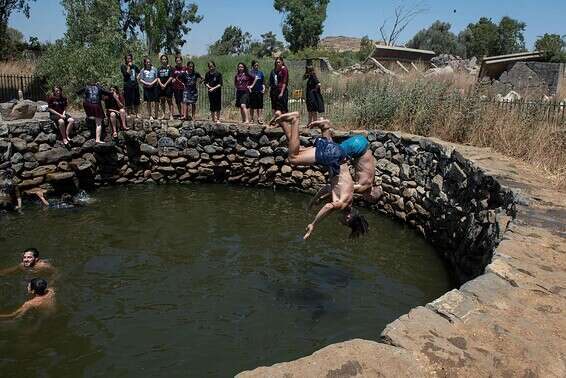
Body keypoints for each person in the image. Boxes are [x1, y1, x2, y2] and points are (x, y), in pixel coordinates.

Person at [273, 112, 368, 240]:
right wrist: (313, 224)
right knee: (293, 158)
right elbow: (329, 206)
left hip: (337, 154)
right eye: (346, 224)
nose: (341, 223)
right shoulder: (343, 204)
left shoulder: (348, 198)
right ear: (349, 217)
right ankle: (294, 119)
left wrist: (313, 201)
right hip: (333, 157)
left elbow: (327, 188)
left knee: (297, 150)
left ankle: (283, 122)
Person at [310, 119, 382, 203]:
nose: (365, 199)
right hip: (357, 148)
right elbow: (343, 189)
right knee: (330, 152)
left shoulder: (371, 180)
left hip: (362, 143)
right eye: (368, 200)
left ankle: (323, 127)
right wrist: (322, 198)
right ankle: (324, 126)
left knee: (331, 150)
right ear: (370, 196)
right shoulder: (363, 187)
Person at [268, 57, 289, 124]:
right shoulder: (274, 71)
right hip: (274, 90)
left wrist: (282, 92)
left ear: (282, 62)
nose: (278, 63)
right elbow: (271, 82)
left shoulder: (284, 69)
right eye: (277, 62)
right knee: (275, 106)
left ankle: (284, 121)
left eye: (279, 62)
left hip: (281, 90)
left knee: (283, 107)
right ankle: (277, 121)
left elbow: (284, 82)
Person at [120, 53, 141, 118]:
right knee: (128, 99)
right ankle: (128, 113)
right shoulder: (123, 66)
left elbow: (139, 71)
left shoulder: (134, 66)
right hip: (127, 85)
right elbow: (126, 74)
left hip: (135, 84)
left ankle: (137, 113)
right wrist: (129, 66)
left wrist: (138, 77)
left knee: (136, 99)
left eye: (130, 58)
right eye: (128, 58)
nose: (129, 60)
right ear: (125, 59)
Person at [157, 54, 174, 120]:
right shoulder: (159, 68)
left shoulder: (170, 68)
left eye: (165, 59)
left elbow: (171, 77)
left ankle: (171, 115)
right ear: (161, 60)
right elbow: (158, 77)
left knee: (169, 101)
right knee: (162, 101)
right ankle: (163, 115)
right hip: (161, 87)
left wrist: (165, 84)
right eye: (162, 59)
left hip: (168, 86)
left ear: (167, 60)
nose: (164, 60)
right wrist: (161, 84)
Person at [248, 60, 265, 124]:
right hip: (252, 91)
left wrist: (263, 88)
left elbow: (263, 82)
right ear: (252, 66)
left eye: (257, 65)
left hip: (259, 91)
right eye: (255, 65)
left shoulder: (261, 73)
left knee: (259, 106)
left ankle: (259, 118)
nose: (256, 66)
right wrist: (249, 88)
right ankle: (252, 119)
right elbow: (248, 82)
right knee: (252, 106)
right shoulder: (250, 73)